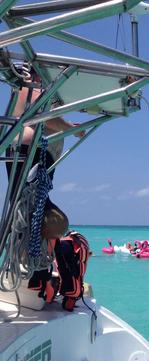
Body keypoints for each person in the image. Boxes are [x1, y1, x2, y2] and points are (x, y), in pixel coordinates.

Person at [5, 65, 85, 239]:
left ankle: (30, 254)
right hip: (31, 150)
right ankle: (29, 257)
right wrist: (72, 129)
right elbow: (41, 111)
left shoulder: (28, 84)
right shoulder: (33, 83)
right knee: (37, 216)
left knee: (27, 212)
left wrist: (67, 125)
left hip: (30, 152)